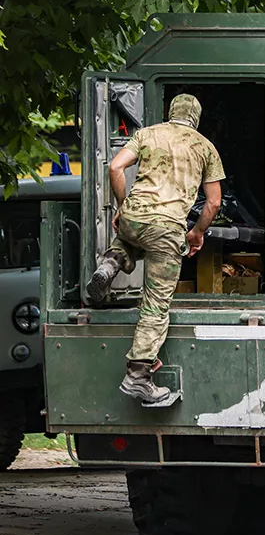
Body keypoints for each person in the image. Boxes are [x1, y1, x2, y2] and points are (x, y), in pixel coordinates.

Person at [85, 94, 224, 404]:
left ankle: (111, 262)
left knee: (132, 237)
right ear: (196, 118)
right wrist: (197, 232)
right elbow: (213, 202)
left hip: (134, 218)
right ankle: (138, 377)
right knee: (155, 306)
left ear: (170, 112)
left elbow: (115, 168)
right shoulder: (204, 147)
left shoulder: (146, 133)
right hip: (167, 228)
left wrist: (124, 206)